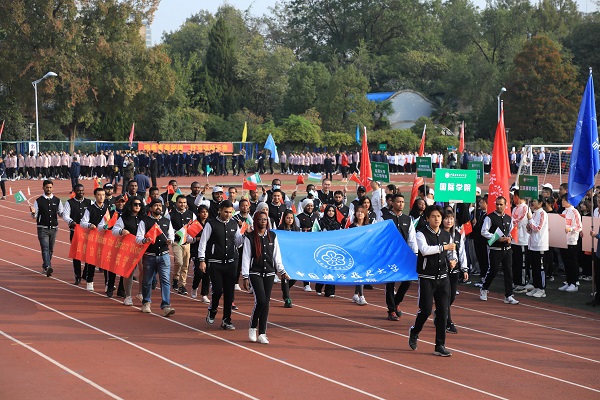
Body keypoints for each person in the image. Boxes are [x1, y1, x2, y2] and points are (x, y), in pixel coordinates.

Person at [408, 205, 457, 357]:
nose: (437, 219)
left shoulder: (446, 235)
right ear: (428, 218)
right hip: (427, 278)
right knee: (426, 310)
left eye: (439, 217)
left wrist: (453, 260)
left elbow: (452, 252)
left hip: (443, 278)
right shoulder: (421, 234)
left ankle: (440, 345)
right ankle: (415, 331)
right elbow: (425, 250)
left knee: (443, 312)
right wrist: (444, 248)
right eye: (433, 216)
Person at [242, 210, 289, 344]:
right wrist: (245, 276)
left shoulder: (272, 236)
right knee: (261, 300)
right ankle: (252, 327)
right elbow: (246, 257)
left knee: (266, 303)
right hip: (255, 272)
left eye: (265, 219)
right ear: (256, 221)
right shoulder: (250, 237)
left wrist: (282, 271)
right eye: (260, 219)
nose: (263, 221)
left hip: (269, 272)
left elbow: (276, 256)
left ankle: (262, 333)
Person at [197, 200, 244, 330]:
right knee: (217, 290)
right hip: (215, 263)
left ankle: (226, 320)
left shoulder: (234, 224)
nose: (228, 215)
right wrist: (202, 260)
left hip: (231, 263)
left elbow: (238, 243)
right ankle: (212, 309)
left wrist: (245, 234)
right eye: (226, 212)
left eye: (230, 212)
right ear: (220, 210)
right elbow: (203, 242)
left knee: (229, 293)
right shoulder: (211, 224)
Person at [135, 199, 176, 317]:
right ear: (151, 208)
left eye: (160, 205)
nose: (158, 207)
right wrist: (145, 240)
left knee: (165, 281)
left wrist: (170, 240)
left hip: (164, 255)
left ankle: (166, 306)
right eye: (156, 205)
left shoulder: (166, 221)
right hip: (149, 256)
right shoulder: (145, 221)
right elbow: (138, 238)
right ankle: (146, 303)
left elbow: (171, 235)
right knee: (147, 281)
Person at [381, 194, 418, 320]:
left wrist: (415, 254)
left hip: (404, 255)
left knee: (408, 280)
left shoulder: (408, 219)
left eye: (402, 202)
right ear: (392, 203)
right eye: (398, 202)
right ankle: (391, 310)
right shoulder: (384, 218)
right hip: (389, 255)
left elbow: (412, 239)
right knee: (390, 283)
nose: (401, 204)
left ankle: (397, 302)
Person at [480, 196, 519, 304]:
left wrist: (509, 238)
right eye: (497, 204)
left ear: (506, 205)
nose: (498, 206)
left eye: (501, 204)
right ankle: (484, 288)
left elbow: (511, 231)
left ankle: (509, 295)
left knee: (508, 271)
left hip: (507, 249)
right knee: (493, 270)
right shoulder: (490, 217)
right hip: (494, 248)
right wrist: (496, 238)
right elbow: (484, 231)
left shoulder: (508, 218)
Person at [113, 196, 144, 305]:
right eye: (135, 204)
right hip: (129, 248)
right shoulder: (124, 218)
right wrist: (121, 231)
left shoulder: (144, 218)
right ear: (130, 205)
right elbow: (114, 230)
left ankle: (140, 293)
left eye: (139, 204)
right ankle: (128, 296)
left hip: (142, 247)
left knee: (144, 270)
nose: (137, 206)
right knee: (129, 272)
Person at [30, 180, 64, 277]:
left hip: (54, 228)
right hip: (42, 228)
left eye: (50, 187)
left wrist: (66, 214)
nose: (49, 189)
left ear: (52, 188)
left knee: (50, 250)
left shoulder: (57, 200)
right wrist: (33, 212)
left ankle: (45, 264)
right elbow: (34, 216)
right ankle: (48, 267)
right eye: (47, 187)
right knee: (45, 248)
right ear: (43, 188)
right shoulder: (38, 201)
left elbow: (61, 213)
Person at [441, 210, 468, 334]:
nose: (449, 221)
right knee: (445, 296)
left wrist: (464, 268)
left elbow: (462, 252)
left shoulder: (457, 234)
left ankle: (440, 312)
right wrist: (448, 261)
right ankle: (448, 322)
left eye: (451, 218)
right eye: (446, 218)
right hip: (442, 270)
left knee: (451, 296)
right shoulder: (439, 233)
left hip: (454, 270)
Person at [79, 187, 109, 292]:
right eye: (99, 195)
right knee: (92, 260)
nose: (101, 197)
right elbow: (82, 223)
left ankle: (107, 284)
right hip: (93, 237)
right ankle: (90, 281)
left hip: (105, 238)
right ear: (95, 196)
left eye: (103, 195)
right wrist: (89, 225)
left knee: (105, 261)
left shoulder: (107, 208)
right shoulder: (90, 209)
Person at [62, 183, 92, 285]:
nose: (81, 192)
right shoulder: (69, 203)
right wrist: (71, 221)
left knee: (88, 253)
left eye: (82, 190)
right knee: (76, 255)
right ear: (74, 191)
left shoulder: (89, 202)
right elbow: (65, 215)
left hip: (87, 233)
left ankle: (86, 273)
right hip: (75, 232)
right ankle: (77, 276)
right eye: (79, 191)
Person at [167, 195, 195, 295]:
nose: (182, 204)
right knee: (179, 261)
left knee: (185, 264)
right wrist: (175, 233)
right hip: (176, 242)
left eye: (184, 202)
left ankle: (181, 285)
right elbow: (167, 228)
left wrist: (191, 236)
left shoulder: (191, 214)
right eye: (180, 202)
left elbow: (194, 227)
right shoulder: (170, 215)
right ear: (176, 203)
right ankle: (175, 278)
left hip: (187, 242)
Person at [314, 205, 342, 297]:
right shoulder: (320, 222)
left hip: (334, 250)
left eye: (332, 211)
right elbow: (315, 234)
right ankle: (319, 286)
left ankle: (330, 290)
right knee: (323, 269)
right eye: (329, 211)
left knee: (332, 270)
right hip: (322, 249)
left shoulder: (338, 224)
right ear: (326, 212)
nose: (331, 212)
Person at [526, 197, 549, 298]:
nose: (532, 203)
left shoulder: (542, 213)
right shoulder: (534, 213)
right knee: (534, 267)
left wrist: (530, 219)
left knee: (540, 268)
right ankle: (536, 287)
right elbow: (531, 229)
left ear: (540, 203)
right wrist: (528, 226)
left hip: (540, 245)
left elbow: (537, 228)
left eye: (534, 201)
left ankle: (542, 289)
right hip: (533, 245)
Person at [277, 209, 300, 307]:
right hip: (283, 256)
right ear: (284, 218)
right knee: (285, 275)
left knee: (294, 276)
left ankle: (285, 289)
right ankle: (287, 298)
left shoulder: (297, 229)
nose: (290, 220)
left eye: (291, 218)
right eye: (287, 218)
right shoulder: (280, 229)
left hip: (294, 256)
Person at [559, 194, 581, 292]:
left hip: (572, 241)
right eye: (562, 200)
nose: (562, 202)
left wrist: (570, 229)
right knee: (566, 263)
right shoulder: (564, 212)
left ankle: (574, 283)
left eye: (564, 200)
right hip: (564, 240)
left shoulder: (574, 212)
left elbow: (579, 226)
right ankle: (568, 281)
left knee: (572, 263)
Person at [349, 206, 370, 305]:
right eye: (358, 212)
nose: (360, 213)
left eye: (362, 212)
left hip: (365, 254)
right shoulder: (352, 227)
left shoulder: (368, 227)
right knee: (359, 273)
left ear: (365, 214)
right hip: (354, 254)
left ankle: (355, 295)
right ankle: (361, 296)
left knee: (361, 274)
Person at [189, 204, 211, 303]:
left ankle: (204, 294)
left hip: (208, 251)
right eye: (202, 212)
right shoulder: (195, 224)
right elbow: (189, 238)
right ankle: (194, 287)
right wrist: (198, 239)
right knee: (199, 272)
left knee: (207, 273)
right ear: (199, 213)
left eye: (206, 212)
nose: (205, 214)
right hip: (197, 250)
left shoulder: (210, 223)